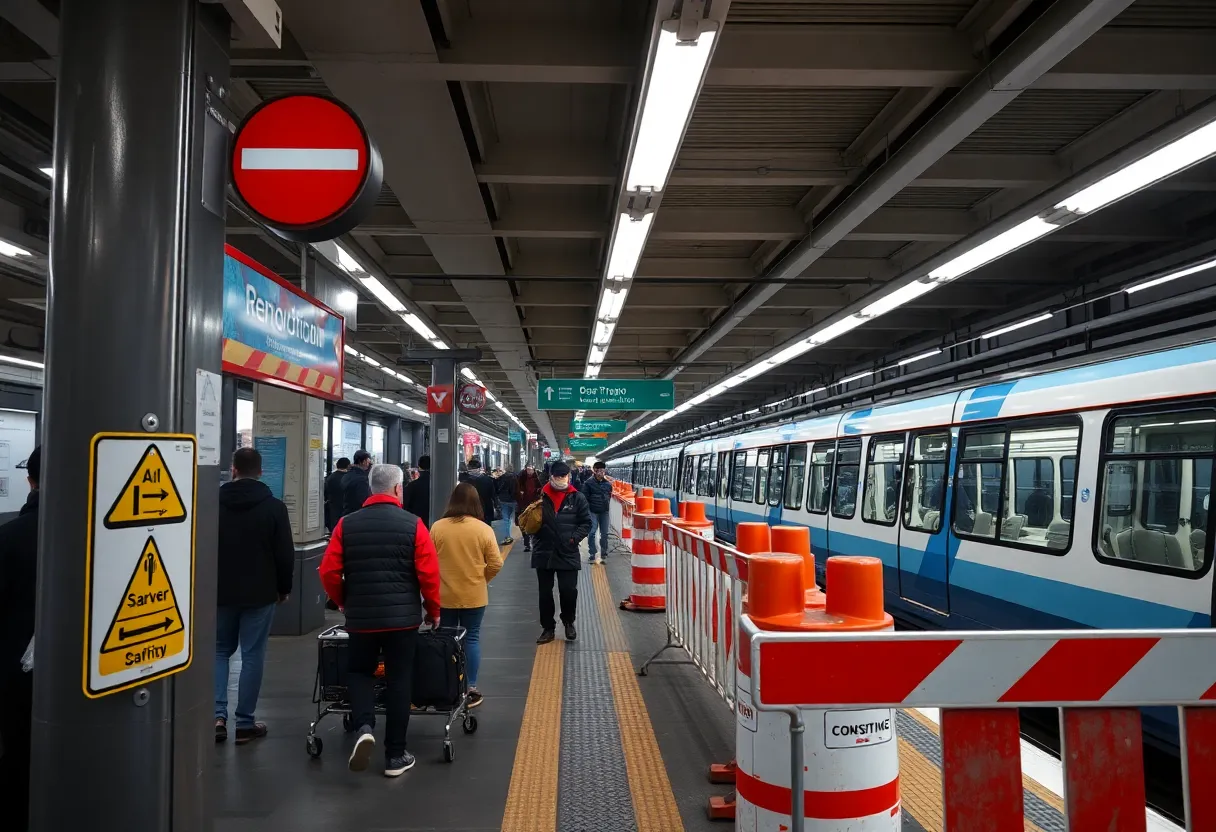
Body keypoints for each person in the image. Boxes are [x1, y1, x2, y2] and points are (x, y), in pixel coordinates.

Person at [320, 464, 440, 777]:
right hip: (403, 620)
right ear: (399, 489)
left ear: (372, 488)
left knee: (360, 671)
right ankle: (395, 756)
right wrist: (434, 610)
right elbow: (429, 574)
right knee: (400, 679)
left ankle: (363, 726)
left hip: (362, 618)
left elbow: (329, 571)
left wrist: (346, 601)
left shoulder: (346, 524)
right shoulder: (414, 524)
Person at [214, 447, 295, 745]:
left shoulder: (212, 504)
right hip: (260, 592)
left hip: (219, 591)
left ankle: (216, 718)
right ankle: (245, 723)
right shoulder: (274, 507)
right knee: (252, 655)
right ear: (261, 472)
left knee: (220, 651)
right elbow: (285, 554)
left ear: (233, 469)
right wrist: (284, 588)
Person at [429, 483, 509, 710]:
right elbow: (495, 563)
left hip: (443, 595)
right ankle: (470, 687)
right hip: (474, 594)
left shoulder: (438, 527)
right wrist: (482, 579)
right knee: (471, 638)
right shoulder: (483, 529)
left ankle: (445, 685)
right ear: (476, 503)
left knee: (444, 641)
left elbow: (428, 561)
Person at [0, 446, 39, 830]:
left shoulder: (9, 537)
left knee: (18, 752)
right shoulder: (98, 534)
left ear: (30, 481)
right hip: (88, 672)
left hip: (16, 675)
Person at [532, 460, 591, 644]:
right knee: (545, 593)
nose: (560, 479)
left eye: (563, 476)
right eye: (557, 476)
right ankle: (548, 628)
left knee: (568, 590)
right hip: (544, 550)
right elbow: (527, 519)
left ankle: (568, 622)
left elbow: (586, 523)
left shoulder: (577, 497)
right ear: (551, 477)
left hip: (568, 550)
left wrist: (573, 539)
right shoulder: (541, 496)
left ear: (569, 477)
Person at [580, 461, 613, 563]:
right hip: (592, 511)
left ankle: (604, 552)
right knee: (592, 532)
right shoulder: (588, 483)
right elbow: (584, 497)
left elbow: (609, 495)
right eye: (600, 471)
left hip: (604, 511)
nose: (602, 473)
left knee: (605, 533)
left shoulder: (608, 484)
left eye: (603, 470)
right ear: (595, 471)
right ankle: (592, 553)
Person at [459, 456, 500, 527]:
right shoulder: (487, 480)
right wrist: (497, 507)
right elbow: (493, 495)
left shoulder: (465, 481)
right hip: (486, 509)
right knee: (485, 528)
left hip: (470, 511)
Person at [516, 463, 542, 552]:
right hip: (524, 505)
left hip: (535, 504)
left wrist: (538, 491)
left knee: (535, 522)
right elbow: (517, 490)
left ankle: (534, 541)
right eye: (528, 469)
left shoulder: (538, 478)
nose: (529, 471)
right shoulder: (521, 478)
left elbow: (541, 488)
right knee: (524, 523)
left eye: (531, 469)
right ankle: (527, 544)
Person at [341, 449, 373, 517]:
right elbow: (364, 500)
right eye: (368, 461)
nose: (370, 463)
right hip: (358, 515)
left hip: (346, 513)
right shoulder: (362, 479)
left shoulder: (346, 475)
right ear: (364, 462)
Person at [403, 453, 431, 526]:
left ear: (419, 468)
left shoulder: (411, 486)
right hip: (435, 525)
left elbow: (405, 507)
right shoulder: (439, 486)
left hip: (415, 525)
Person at [324, 457, 350, 532]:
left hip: (333, 509)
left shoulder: (330, 477)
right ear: (348, 466)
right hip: (345, 509)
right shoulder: (348, 478)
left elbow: (326, 493)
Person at [495, 464, 519, 543]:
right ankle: (527, 539)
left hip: (504, 500)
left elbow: (497, 487)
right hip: (514, 500)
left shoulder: (502, 477)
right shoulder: (517, 477)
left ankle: (507, 537)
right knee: (517, 518)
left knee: (506, 519)